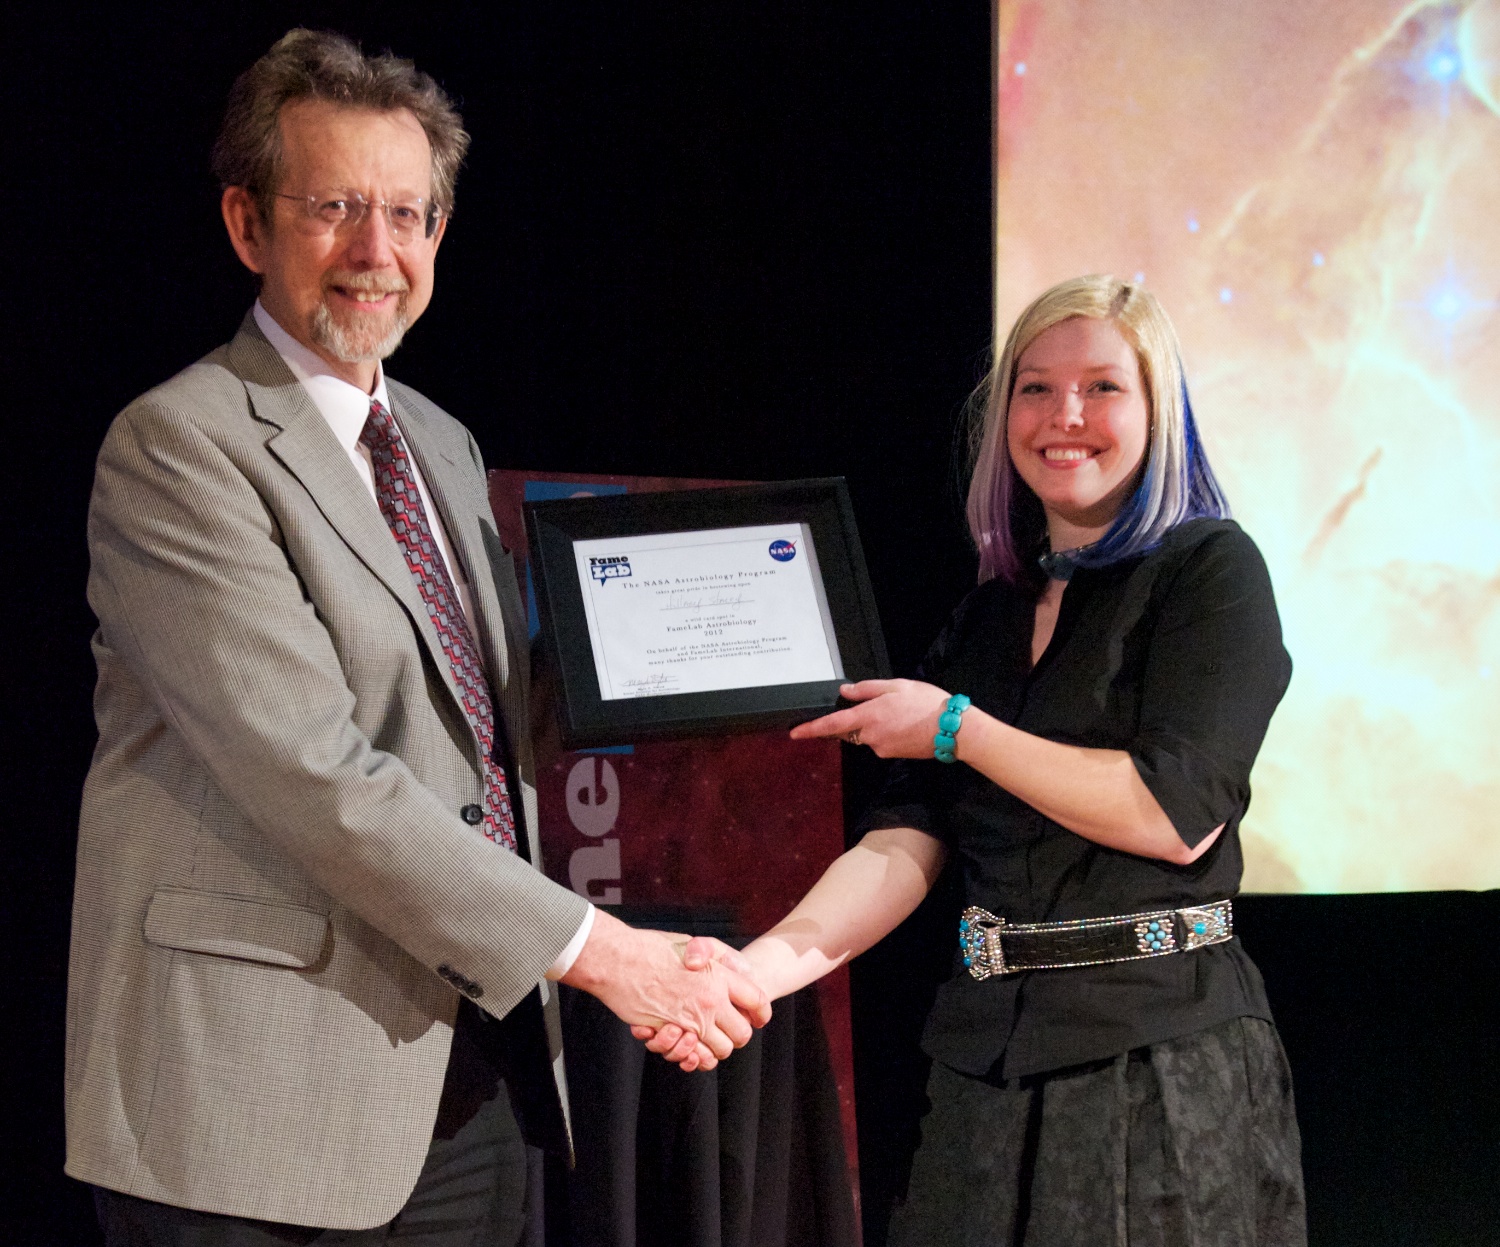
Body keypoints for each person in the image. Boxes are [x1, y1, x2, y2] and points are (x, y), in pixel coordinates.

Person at [66, 29, 767, 1246]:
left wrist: (695, 650)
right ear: (247, 224)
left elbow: (481, 731)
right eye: (334, 207)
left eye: (406, 213)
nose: (374, 251)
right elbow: (313, 771)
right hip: (253, 1111)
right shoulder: (180, 447)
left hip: (471, 1081)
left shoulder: (440, 441)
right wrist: (609, 955)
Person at [644, 274, 1307, 1244]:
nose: (1064, 415)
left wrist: (960, 728)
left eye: (1102, 387)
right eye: (1035, 388)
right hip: (985, 1069)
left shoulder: (1211, 570)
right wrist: (751, 974)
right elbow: (902, 841)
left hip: (1154, 1059)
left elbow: (1173, 814)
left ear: (1159, 411)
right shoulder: (990, 614)